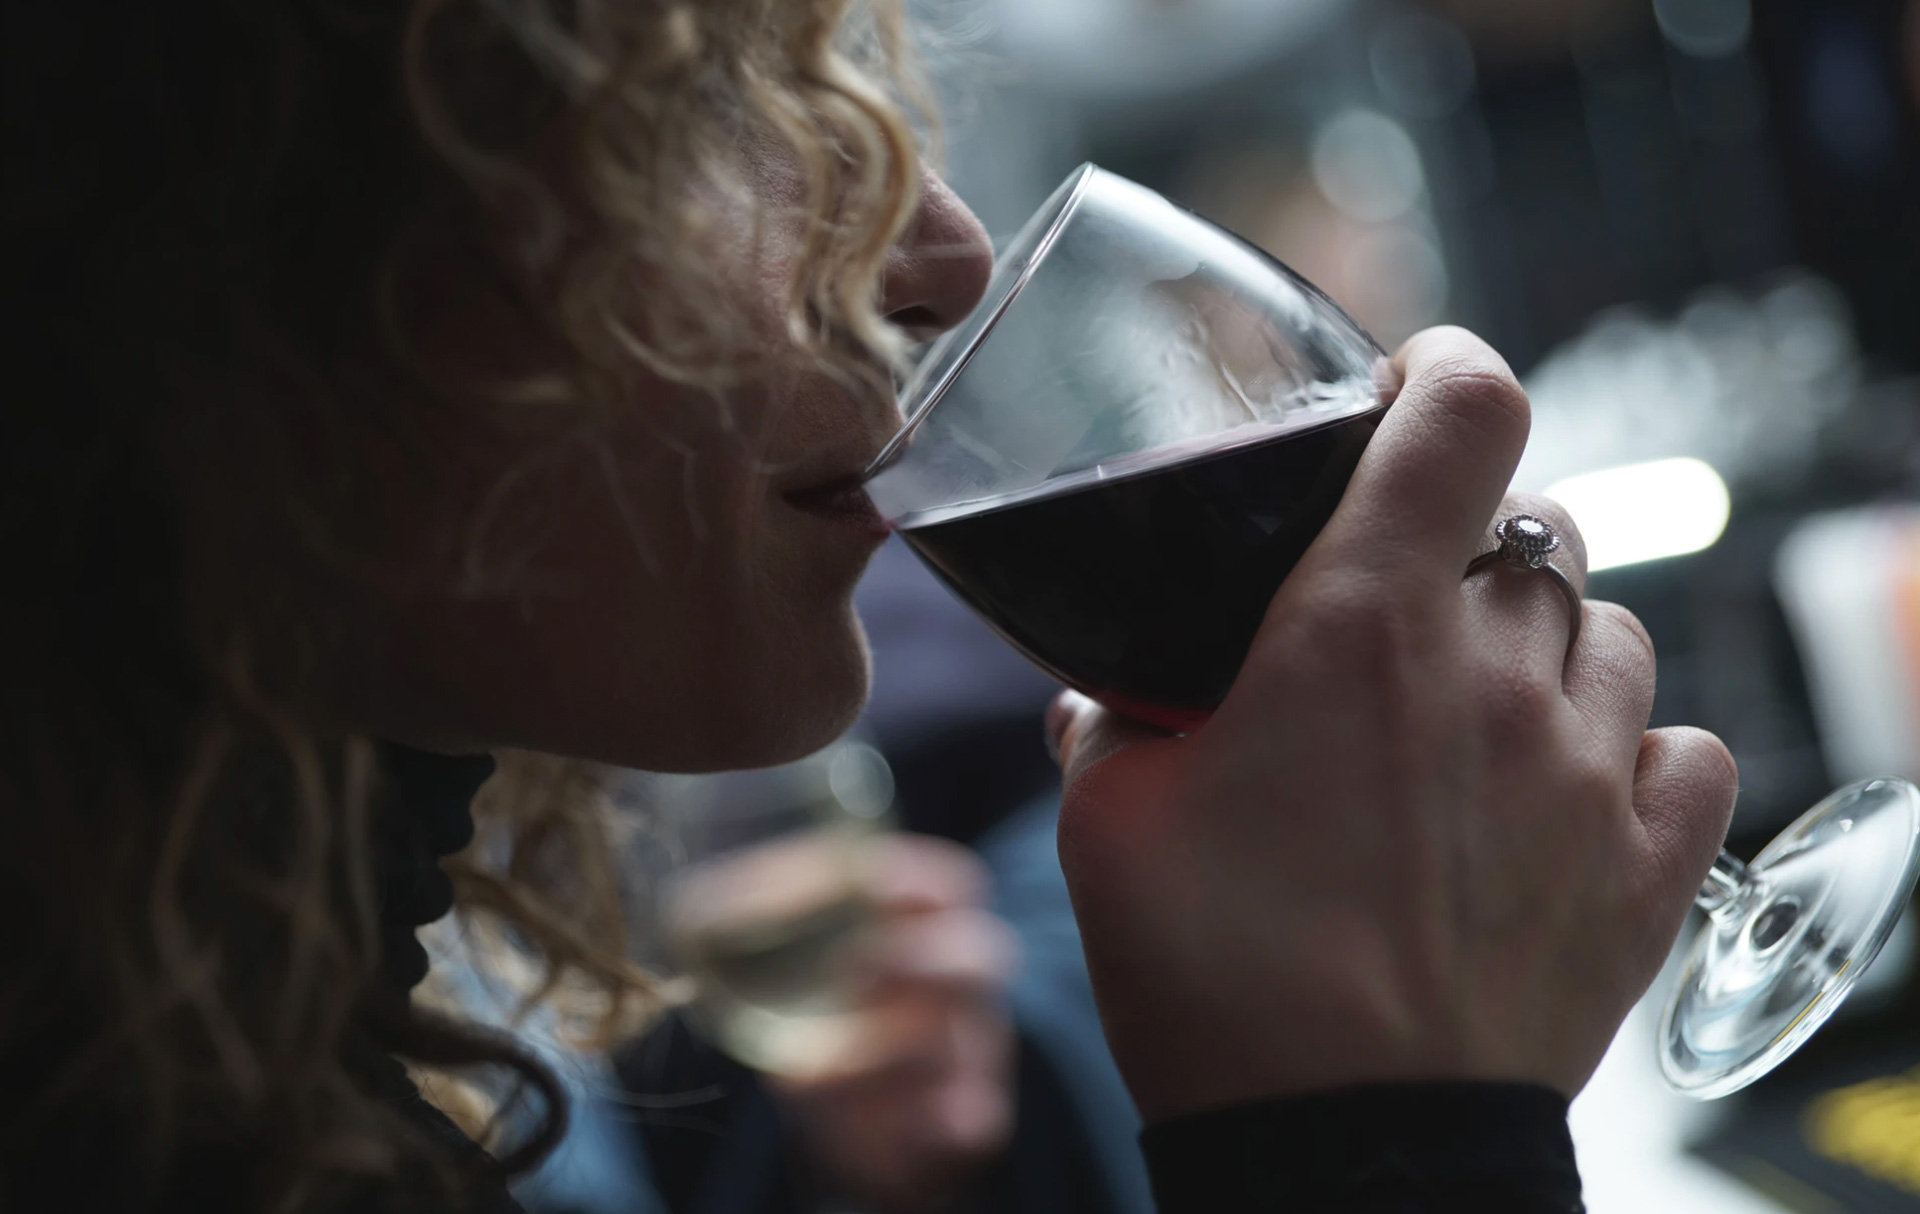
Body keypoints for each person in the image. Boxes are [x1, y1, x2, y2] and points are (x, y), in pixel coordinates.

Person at [3, 3, 1739, 1212]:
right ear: (212, 257)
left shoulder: (229, 1063)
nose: (940, 255)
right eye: (696, 109)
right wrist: (1380, 1144)